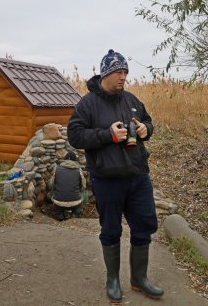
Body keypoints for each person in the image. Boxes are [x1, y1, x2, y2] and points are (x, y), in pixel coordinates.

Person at [67, 49, 163, 302]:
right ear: (106, 73)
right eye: (119, 72)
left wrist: (145, 129)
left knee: (144, 226)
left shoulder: (131, 99)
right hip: (107, 178)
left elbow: (149, 122)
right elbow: (75, 136)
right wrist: (106, 135)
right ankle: (113, 280)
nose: (123, 77)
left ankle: (139, 279)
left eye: (125, 73)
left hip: (138, 176)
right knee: (110, 230)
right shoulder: (88, 104)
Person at [47, 152, 89, 221]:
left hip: (58, 201)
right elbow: (84, 186)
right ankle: (75, 213)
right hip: (75, 202)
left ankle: (59, 213)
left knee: (51, 193)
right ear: (75, 161)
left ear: (64, 160)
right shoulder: (78, 170)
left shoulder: (57, 169)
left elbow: (51, 185)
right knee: (86, 194)